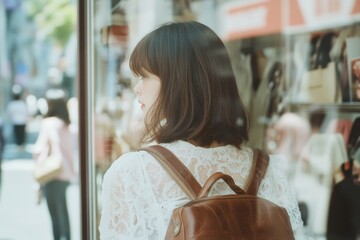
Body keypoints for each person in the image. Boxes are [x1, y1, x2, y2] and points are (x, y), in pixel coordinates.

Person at [99, 21, 308, 239]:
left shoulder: (133, 174)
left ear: (176, 81)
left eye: (144, 76)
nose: (136, 88)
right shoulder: (272, 172)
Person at [33, 89, 75, 240]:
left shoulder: (48, 123)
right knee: (63, 210)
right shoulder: (67, 124)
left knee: (54, 214)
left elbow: (39, 150)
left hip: (52, 172)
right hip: (66, 172)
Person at [6, 84, 29, 148]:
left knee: (17, 134)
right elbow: (26, 113)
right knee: (22, 134)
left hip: (15, 121)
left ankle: (18, 145)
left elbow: (9, 113)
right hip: (22, 121)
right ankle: (21, 145)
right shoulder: (22, 104)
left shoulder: (11, 104)